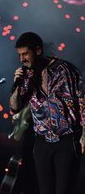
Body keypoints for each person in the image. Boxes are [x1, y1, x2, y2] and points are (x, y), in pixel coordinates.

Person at [9, 32, 85, 194]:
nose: (22, 59)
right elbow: (15, 107)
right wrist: (17, 84)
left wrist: (84, 134)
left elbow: (83, 100)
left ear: (38, 51)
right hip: (42, 142)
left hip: (66, 140)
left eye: (25, 54)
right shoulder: (27, 76)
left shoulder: (66, 70)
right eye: (19, 55)